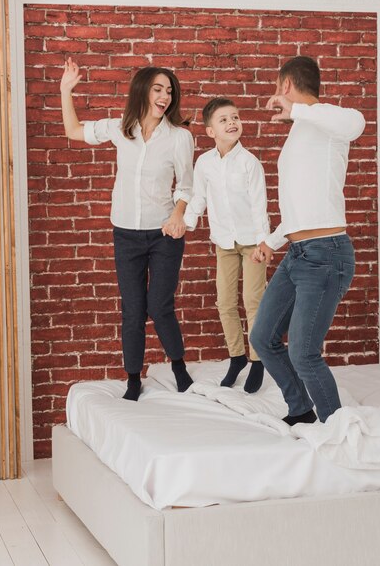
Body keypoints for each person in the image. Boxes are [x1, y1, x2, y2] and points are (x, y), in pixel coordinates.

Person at [60, 58, 195, 401]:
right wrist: (65, 91)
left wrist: (178, 215)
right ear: (143, 91)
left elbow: (187, 187)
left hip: (165, 234)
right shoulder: (120, 128)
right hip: (126, 235)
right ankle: (133, 378)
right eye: (158, 89)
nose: (165, 96)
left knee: (160, 305)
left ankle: (179, 367)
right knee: (133, 309)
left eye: (169, 91)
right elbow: (74, 132)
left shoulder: (179, 137)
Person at [249, 56, 366, 423]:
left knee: (303, 352)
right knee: (263, 337)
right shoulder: (301, 129)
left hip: (326, 254)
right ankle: (301, 410)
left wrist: (299, 109)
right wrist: (272, 241)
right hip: (297, 253)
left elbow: (356, 123)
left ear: (285, 85)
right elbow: (302, 207)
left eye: (277, 86)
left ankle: (337, 431)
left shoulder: (330, 121)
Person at [184, 98, 269, 392]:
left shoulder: (250, 164)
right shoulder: (205, 163)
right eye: (224, 120)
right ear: (210, 131)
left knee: (253, 302)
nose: (232, 122)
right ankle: (237, 356)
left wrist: (263, 242)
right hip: (224, 242)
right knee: (225, 302)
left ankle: (258, 361)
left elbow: (260, 206)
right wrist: (186, 221)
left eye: (235, 117)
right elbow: (198, 197)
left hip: (252, 244)